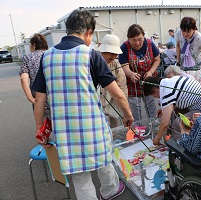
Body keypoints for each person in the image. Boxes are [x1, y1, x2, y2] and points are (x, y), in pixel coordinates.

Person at [32, 9, 134, 200]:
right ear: (88, 32)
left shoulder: (47, 57)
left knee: (80, 177)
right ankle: (110, 190)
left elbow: (39, 99)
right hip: (93, 126)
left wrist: (40, 128)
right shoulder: (91, 55)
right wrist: (128, 115)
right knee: (104, 159)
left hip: (65, 130)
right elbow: (117, 94)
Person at [142, 76, 201, 145]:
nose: (155, 97)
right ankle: (175, 138)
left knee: (177, 124)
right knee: (175, 115)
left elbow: (165, 123)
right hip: (199, 103)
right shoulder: (167, 83)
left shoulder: (166, 92)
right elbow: (177, 99)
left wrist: (157, 138)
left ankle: (180, 146)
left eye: (153, 95)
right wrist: (163, 110)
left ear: (154, 89)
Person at [119, 24, 160, 122]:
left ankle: (154, 126)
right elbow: (124, 66)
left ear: (143, 36)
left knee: (151, 105)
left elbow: (157, 59)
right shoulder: (124, 47)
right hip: (133, 83)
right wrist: (131, 74)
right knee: (135, 109)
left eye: (140, 39)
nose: (137, 43)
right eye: (134, 40)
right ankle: (138, 130)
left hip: (147, 81)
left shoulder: (150, 43)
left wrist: (150, 72)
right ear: (128, 39)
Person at [97, 34, 128, 128]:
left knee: (114, 126)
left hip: (112, 101)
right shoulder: (94, 61)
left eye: (116, 54)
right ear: (103, 51)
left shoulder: (115, 64)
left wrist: (123, 106)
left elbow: (122, 86)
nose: (114, 56)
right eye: (111, 53)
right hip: (96, 103)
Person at [175, 16, 201, 86]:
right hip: (183, 64)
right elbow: (177, 45)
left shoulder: (199, 38)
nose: (185, 34)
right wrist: (178, 59)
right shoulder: (179, 32)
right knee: (184, 86)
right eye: (183, 31)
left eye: (188, 32)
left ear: (194, 29)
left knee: (196, 86)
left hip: (196, 66)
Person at [20, 33, 48, 107]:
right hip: (55, 98)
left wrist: (31, 98)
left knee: (41, 118)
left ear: (34, 44)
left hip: (38, 99)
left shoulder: (27, 58)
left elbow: (23, 79)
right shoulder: (51, 55)